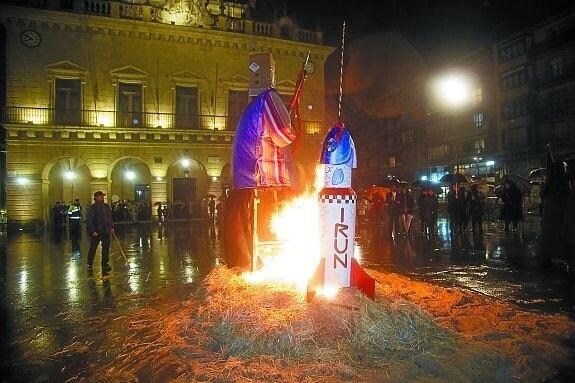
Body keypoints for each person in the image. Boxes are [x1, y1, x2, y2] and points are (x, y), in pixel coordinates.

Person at [86, 191, 114, 272]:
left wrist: (112, 227)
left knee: (106, 248)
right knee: (93, 248)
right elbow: (89, 220)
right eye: (101, 196)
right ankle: (89, 263)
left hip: (106, 231)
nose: (102, 197)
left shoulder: (106, 206)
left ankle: (105, 264)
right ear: (96, 197)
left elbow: (110, 217)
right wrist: (93, 230)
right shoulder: (93, 207)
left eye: (103, 196)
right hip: (97, 231)